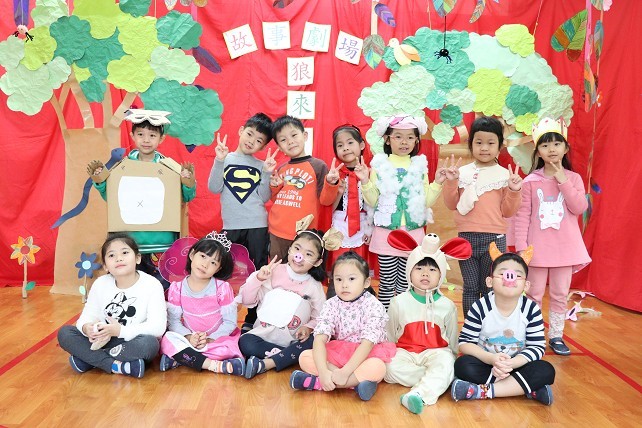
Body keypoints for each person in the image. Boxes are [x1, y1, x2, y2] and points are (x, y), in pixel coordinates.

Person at [87, 109, 196, 289]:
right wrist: (100, 181)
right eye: (140, 134)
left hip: (161, 242)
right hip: (130, 242)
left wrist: (187, 182)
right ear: (132, 136)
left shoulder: (170, 168)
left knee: (161, 288)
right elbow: (113, 198)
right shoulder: (122, 167)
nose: (146, 140)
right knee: (130, 287)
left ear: (161, 138)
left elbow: (186, 197)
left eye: (152, 135)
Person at [514, 117, 591, 356]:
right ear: (538, 151)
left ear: (565, 148)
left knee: (559, 294)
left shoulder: (574, 178)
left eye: (557, 144)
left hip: (565, 249)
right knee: (533, 294)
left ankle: (556, 335)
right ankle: (533, 336)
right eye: (545, 145)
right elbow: (522, 216)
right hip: (536, 250)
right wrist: (521, 247)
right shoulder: (530, 182)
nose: (552, 149)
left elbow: (579, 207)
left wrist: (562, 181)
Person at [451, 244, 555, 406]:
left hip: (517, 364)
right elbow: (465, 343)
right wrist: (491, 359)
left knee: (546, 370)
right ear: (490, 281)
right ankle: (524, 388)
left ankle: (482, 391)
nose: (510, 278)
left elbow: (537, 347)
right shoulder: (480, 306)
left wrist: (512, 363)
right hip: (487, 363)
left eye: (517, 275)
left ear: (526, 285)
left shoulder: (531, 309)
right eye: (503, 273)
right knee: (462, 366)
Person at [362, 114, 445, 309]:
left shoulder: (419, 166)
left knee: (406, 283)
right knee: (386, 283)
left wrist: (437, 183)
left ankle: (402, 319)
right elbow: (373, 201)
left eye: (409, 137)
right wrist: (365, 181)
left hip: (412, 235)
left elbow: (426, 201)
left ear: (416, 140)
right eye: (398, 136)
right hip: (387, 235)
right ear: (387, 139)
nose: (404, 142)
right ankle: (384, 320)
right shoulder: (379, 165)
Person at [442, 116, 523, 316]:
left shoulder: (505, 175)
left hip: (494, 239)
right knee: (470, 287)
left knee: (489, 286)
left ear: (500, 146)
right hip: (466, 238)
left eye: (490, 143)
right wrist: (451, 182)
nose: (484, 148)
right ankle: (471, 327)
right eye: (479, 142)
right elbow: (451, 204)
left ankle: (488, 327)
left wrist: (514, 190)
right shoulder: (461, 172)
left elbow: (508, 212)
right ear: (471, 144)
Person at [384, 230, 472, 414]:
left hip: (436, 352)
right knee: (388, 367)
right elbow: (390, 333)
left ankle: (417, 395)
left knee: (446, 362)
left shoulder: (447, 305)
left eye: (432, 270)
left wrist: (451, 357)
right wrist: (390, 351)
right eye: (419, 268)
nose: (425, 273)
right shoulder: (398, 301)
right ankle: (438, 381)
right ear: (409, 271)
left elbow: (453, 339)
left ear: (441, 275)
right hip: (404, 352)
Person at [238, 221, 339, 378]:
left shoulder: (314, 286)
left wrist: (308, 327)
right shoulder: (273, 272)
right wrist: (258, 278)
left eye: (309, 254)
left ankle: (268, 362)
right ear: (290, 249)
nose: (300, 257)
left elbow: (320, 317)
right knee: (245, 342)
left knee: (316, 340)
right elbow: (247, 300)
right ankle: (286, 357)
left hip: (294, 340)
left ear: (318, 261)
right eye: (297, 249)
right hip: (263, 335)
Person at [57, 233, 166, 378]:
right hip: (102, 341)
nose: (119, 258)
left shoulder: (152, 285)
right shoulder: (100, 284)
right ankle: (117, 366)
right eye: (111, 255)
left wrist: (120, 331)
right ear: (105, 266)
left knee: (150, 344)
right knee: (65, 333)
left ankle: (89, 359)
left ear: (138, 258)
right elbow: (86, 317)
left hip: (130, 341)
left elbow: (158, 327)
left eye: (125, 253)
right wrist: (87, 328)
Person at [290, 252, 395, 401]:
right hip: (339, 353)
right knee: (305, 357)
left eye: (351, 279)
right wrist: (324, 371)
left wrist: (345, 372)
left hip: (364, 353)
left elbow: (367, 344)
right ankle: (354, 384)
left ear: (366, 282)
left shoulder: (373, 305)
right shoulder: (331, 304)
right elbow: (319, 339)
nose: (344, 285)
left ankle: (317, 383)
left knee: (378, 367)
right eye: (338, 279)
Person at [208, 112, 277, 332]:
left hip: (257, 225)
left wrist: (267, 174)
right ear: (240, 131)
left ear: (263, 146)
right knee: (224, 270)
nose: (251, 141)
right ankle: (222, 314)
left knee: (258, 271)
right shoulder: (225, 159)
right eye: (249, 134)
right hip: (231, 226)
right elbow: (214, 188)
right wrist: (219, 160)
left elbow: (264, 197)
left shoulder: (261, 165)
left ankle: (252, 317)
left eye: (259, 140)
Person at [159, 232, 245, 376]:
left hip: (215, 340)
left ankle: (183, 359)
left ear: (218, 269)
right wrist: (188, 337)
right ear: (192, 255)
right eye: (203, 256)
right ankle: (213, 364)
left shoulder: (222, 288)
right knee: (167, 340)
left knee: (227, 348)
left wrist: (210, 339)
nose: (205, 264)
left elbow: (230, 323)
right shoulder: (177, 288)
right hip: (189, 339)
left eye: (213, 263)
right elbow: (173, 321)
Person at [268, 115, 329, 260]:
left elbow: (326, 200)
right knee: (277, 270)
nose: (290, 141)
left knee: (301, 270)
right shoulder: (281, 169)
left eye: (294, 135)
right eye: (283, 140)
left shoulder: (318, 166)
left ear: (305, 135)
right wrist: (275, 186)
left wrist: (332, 184)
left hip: (304, 234)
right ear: (279, 147)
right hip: (277, 231)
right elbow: (276, 199)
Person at [320, 124, 373, 272]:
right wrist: (335, 188)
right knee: (339, 268)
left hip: (363, 228)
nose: (345, 148)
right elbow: (326, 205)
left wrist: (371, 229)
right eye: (340, 145)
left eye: (350, 142)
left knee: (360, 270)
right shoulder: (334, 175)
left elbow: (375, 203)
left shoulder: (371, 172)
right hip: (339, 228)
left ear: (361, 145)